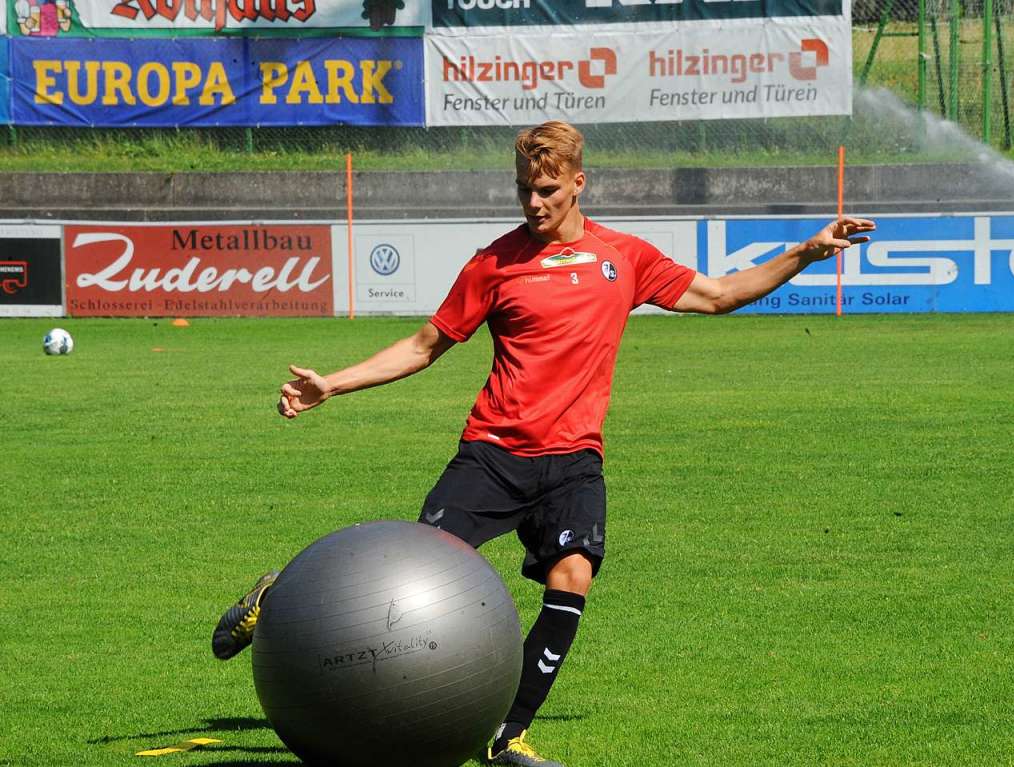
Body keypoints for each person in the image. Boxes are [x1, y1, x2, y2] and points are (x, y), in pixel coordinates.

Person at [212, 121, 875, 767]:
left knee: (572, 577)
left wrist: (805, 253)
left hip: (574, 462)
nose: (534, 202)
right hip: (493, 455)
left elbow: (720, 293)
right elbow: (424, 346)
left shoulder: (625, 257)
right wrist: (333, 383)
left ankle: (506, 735)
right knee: (406, 587)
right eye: (525, 189)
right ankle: (281, 597)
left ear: (578, 184)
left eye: (549, 191)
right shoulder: (494, 264)